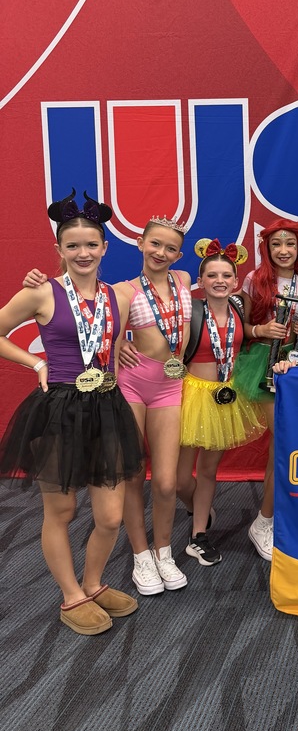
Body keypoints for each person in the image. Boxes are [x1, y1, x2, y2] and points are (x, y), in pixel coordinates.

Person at [26, 215, 194, 596]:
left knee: (143, 495)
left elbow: (112, 334)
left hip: (141, 392)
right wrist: (40, 361)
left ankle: (141, 560)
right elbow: (93, 331)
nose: (161, 252)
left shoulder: (161, 285)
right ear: (139, 243)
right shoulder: (110, 290)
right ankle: (112, 572)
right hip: (98, 395)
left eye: (170, 247)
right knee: (99, 491)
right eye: (155, 244)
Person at [0, 191, 144, 634]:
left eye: (91, 244)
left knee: (110, 516)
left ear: (105, 247)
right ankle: (71, 595)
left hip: (105, 407)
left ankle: (95, 583)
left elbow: (110, 343)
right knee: (60, 512)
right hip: (59, 408)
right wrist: (36, 362)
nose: (83, 253)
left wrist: (118, 363)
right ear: (59, 250)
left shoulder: (117, 297)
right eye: (73, 245)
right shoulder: (41, 292)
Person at [176, 239, 266, 566]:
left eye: (226, 274)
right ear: (200, 281)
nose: (219, 280)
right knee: (179, 478)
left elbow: (244, 334)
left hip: (226, 396)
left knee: (209, 470)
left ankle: (199, 534)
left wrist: (262, 330)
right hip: (192, 395)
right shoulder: (190, 310)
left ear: (235, 280)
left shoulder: (239, 308)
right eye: (211, 274)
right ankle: (195, 504)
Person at [232, 218, 298, 561]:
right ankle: (263, 521)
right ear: (267, 247)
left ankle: (279, 516)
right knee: (284, 443)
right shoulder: (255, 279)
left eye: (290, 244)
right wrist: (262, 330)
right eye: (277, 244)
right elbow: (243, 329)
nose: (283, 251)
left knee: (297, 444)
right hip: (264, 364)